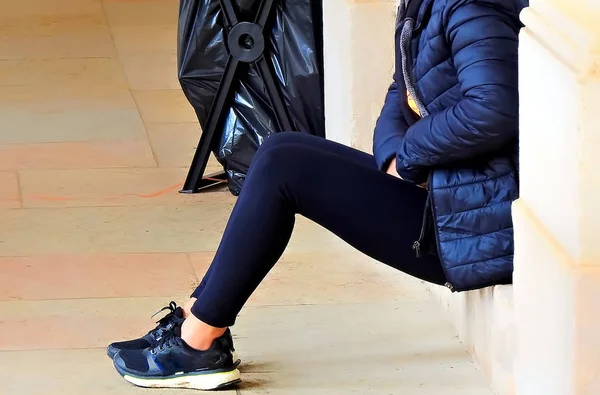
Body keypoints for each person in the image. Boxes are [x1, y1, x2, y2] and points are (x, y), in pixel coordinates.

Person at [109, 0, 525, 390]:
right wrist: (394, 158)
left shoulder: (471, 6)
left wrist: (411, 158)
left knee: (283, 168)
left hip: (472, 231)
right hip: (449, 202)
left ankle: (197, 341)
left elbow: (493, 108)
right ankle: (196, 321)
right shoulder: (430, 3)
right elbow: (400, 93)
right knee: (280, 149)